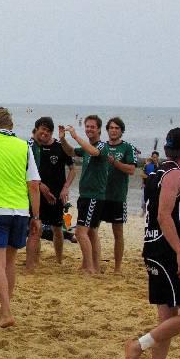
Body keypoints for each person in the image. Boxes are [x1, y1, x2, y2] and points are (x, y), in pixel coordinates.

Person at [125, 128, 180, 359]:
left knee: (167, 316)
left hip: (154, 246)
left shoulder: (157, 171)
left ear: (167, 149)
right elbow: (163, 216)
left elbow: (163, 216)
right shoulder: (174, 174)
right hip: (166, 251)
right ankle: (138, 346)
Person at [0, 107, 41, 328]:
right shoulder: (24, 146)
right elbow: (34, 185)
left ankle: (5, 311)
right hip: (20, 210)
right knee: (10, 262)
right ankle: (5, 308)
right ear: (11, 125)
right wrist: (36, 216)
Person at [59, 116, 109, 274]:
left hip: (94, 196)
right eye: (87, 126)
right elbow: (71, 151)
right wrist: (63, 139)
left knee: (80, 232)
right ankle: (94, 266)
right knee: (92, 232)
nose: (89, 129)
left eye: (92, 127)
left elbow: (94, 152)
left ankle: (90, 267)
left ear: (99, 129)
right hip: (86, 195)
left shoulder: (101, 146)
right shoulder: (87, 147)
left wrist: (75, 136)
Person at [25, 117, 76, 269]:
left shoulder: (59, 146)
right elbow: (25, 171)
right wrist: (40, 185)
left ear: (52, 132)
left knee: (57, 228)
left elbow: (73, 169)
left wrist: (66, 187)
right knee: (36, 227)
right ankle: (35, 260)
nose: (45, 133)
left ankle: (59, 260)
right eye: (43, 129)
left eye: (48, 130)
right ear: (36, 129)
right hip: (37, 193)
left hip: (56, 195)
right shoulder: (31, 146)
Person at [100, 117, 137, 274]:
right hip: (100, 195)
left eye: (117, 128)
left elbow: (132, 170)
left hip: (118, 196)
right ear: (107, 130)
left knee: (118, 233)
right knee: (91, 230)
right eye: (111, 128)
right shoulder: (102, 146)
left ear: (121, 131)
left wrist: (115, 162)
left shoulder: (127, 147)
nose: (114, 130)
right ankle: (93, 262)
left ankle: (117, 267)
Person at [142, 151, 160, 215]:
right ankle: (144, 211)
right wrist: (143, 183)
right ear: (151, 157)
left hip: (155, 186)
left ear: (158, 157)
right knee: (144, 199)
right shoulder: (147, 165)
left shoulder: (160, 166)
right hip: (146, 185)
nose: (155, 159)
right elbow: (142, 174)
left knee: (155, 200)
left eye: (156, 157)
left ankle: (154, 212)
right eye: (153, 157)